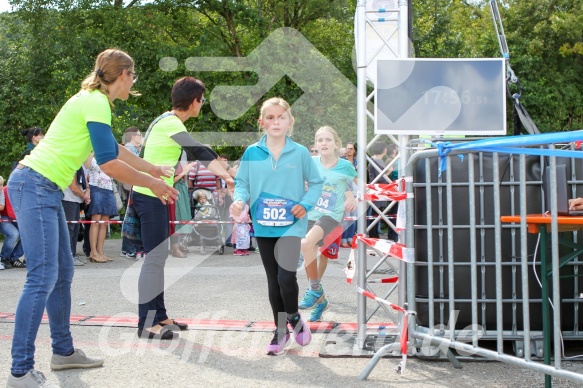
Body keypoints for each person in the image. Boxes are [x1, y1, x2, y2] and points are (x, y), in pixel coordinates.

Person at [6, 48, 178, 388]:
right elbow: (110, 164)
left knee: (61, 272)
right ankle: (20, 371)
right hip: (34, 184)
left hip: (44, 188)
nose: (134, 83)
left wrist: (152, 167)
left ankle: (64, 352)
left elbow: (114, 149)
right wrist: (154, 182)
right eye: (134, 76)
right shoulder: (96, 102)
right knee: (42, 277)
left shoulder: (94, 100)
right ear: (124, 75)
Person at [132, 76, 234, 341]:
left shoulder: (167, 119)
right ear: (194, 101)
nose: (202, 104)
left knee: (159, 259)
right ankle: (147, 323)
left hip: (157, 196)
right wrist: (229, 177)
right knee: (154, 261)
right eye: (202, 100)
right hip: (149, 196)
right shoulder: (170, 122)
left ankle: (160, 315)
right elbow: (199, 151)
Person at [231, 97, 323, 356]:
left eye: (281, 117)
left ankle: (293, 316)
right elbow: (242, 183)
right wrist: (239, 201)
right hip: (263, 225)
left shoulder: (301, 152)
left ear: (290, 122)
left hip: (291, 225)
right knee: (273, 282)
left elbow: (316, 183)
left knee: (286, 277)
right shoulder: (252, 152)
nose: (275, 121)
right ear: (262, 122)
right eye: (270, 117)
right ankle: (280, 330)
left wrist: (305, 204)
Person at [299, 126, 357, 322]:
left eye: (328, 140)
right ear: (315, 144)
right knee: (308, 253)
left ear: (336, 144)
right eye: (320, 140)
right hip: (311, 214)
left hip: (332, 216)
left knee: (314, 249)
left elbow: (354, 185)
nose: (323, 143)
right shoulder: (311, 163)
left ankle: (314, 289)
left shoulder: (345, 166)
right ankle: (319, 297)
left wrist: (355, 199)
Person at [85, 154, 118, 263]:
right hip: (96, 187)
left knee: (104, 223)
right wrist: (92, 152)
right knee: (96, 221)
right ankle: (93, 252)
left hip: (108, 188)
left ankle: (100, 251)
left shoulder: (107, 156)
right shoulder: (91, 155)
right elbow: (86, 166)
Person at [120, 126, 143, 259]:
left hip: (132, 185)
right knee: (131, 218)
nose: (141, 137)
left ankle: (127, 248)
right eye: (139, 135)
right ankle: (129, 249)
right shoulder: (129, 149)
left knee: (131, 218)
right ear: (133, 137)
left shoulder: (133, 149)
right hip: (131, 186)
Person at [61, 168, 90, 267]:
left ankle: (72, 254)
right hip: (69, 200)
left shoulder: (79, 165)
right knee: (70, 229)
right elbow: (73, 187)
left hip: (75, 200)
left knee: (76, 229)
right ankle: (67, 257)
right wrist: (84, 196)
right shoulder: (71, 166)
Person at [0, 177, 26, 270]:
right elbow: (11, 210)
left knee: (28, 233)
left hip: (14, 217)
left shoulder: (24, 191)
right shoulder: (7, 190)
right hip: (5, 217)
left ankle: (14, 258)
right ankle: (4, 258)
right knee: (14, 234)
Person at [340, 141, 358, 248]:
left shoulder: (358, 162)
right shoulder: (342, 161)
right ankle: (343, 239)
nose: (349, 150)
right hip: (345, 192)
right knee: (346, 218)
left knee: (354, 217)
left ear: (354, 150)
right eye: (347, 148)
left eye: (351, 148)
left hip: (356, 191)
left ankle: (351, 238)